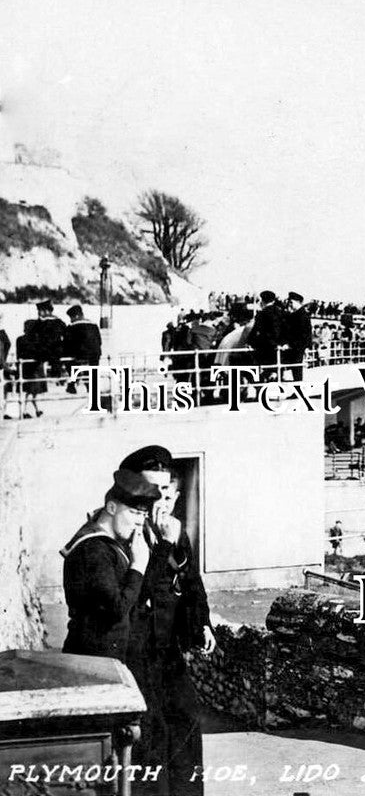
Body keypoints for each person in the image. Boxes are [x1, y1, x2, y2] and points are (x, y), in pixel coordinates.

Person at [120, 445, 214, 796]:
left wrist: (202, 623)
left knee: (187, 728)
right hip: (136, 658)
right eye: (150, 492)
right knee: (150, 741)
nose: (159, 502)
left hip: (168, 656)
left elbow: (192, 586)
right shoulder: (126, 532)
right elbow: (140, 596)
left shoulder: (177, 532)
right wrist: (162, 547)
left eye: (165, 492)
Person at [61, 470, 158, 660]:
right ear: (112, 508)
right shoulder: (93, 550)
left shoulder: (112, 544)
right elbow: (116, 610)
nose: (140, 523)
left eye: (143, 515)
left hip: (108, 653)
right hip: (92, 657)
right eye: (134, 513)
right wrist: (137, 566)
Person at [63, 305, 102, 394]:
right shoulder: (94, 325)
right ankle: (90, 386)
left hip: (79, 354)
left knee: (70, 363)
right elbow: (99, 341)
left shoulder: (71, 327)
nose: (71, 320)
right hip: (95, 354)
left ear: (76, 316)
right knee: (91, 370)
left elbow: (67, 343)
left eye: (71, 317)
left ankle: (72, 384)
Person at [246, 290, 286, 378]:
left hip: (266, 346)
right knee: (277, 367)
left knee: (261, 366)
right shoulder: (282, 312)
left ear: (262, 301)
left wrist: (249, 342)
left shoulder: (261, 314)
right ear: (273, 301)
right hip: (279, 346)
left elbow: (256, 330)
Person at [282, 292, 312, 381]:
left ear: (298, 302)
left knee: (296, 368)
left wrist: (291, 344)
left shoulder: (301, 315)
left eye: (291, 302)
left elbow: (302, 334)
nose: (289, 304)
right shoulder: (297, 314)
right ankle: (297, 389)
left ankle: (298, 389)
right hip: (296, 345)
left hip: (297, 346)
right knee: (295, 368)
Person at [35, 300, 67, 379]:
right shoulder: (59, 322)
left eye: (40, 311)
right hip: (58, 351)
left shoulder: (39, 323)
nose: (39, 313)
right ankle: (57, 374)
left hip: (44, 351)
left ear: (45, 311)